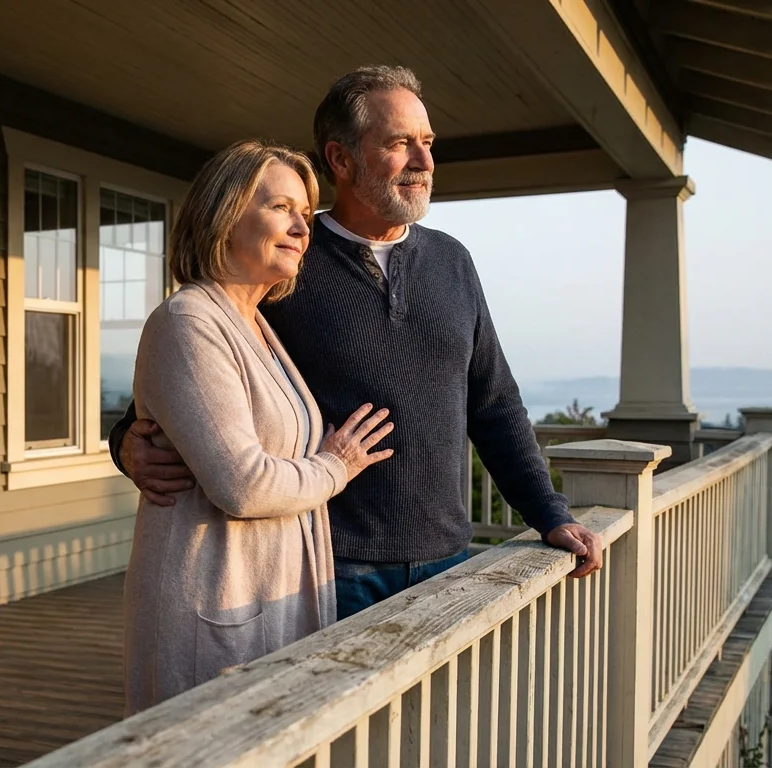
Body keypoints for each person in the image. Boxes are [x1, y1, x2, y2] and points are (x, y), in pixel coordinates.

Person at [110, 66, 604, 622]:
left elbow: (492, 403)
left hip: (447, 557)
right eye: (399, 144)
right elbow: (186, 385)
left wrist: (549, 513)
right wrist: (127, 441)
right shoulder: (285, 259)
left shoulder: (452, 262)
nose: (423, 163)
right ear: (341, 160)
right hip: (327, 563)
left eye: (427, 143)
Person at [121, 139, 396, 716]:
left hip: (270, 600)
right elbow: (242, 484)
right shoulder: (190, 321)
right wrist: (335, 466)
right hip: (216, 603)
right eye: (280, 207)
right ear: (223, 213)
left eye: (304, 213)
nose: (302, 226)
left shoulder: (258, 326)